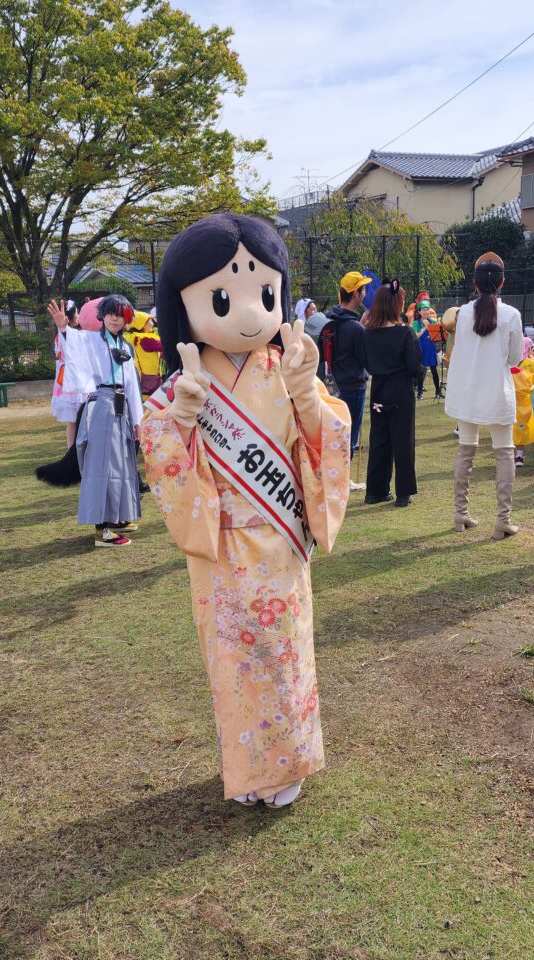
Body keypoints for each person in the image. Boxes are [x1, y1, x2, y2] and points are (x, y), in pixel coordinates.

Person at [140, 213, 350, 809]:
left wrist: (308, 394)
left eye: (264, 292)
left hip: (279, 537)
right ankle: (248, 767)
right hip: (223, 544)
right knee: (233, 661)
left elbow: (326, 440)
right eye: (224, 295)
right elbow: (158, 447)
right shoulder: (190, 377)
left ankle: (287, 767)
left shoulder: (284, 367)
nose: (251, 311)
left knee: (283, 654)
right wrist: (179, 419)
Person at [37, 294, 143, 546]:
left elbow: (131, 387)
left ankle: (116, 517)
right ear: (102, 316)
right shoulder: (93, 340)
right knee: (101, 467)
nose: (115, 318)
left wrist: (138, 421)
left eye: (121, 314)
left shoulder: (126, 347)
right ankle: (102, 530)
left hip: (122, 408)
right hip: (102, 405)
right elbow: (73, 343)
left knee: (122, 465)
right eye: (110, 313)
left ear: (128, 319)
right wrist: (63, 327)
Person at [445, 252, 525, 540]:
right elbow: (516, 357)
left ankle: (460, 513)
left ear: (475, 284)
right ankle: (502, 520)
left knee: (466, 450)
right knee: (504, 453)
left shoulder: (462, 313)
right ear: (502, 282)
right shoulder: (511, 315)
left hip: (466, 392)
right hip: (495, 393)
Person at [363, 279, 422, 507]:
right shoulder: (405, 333)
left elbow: (366, 363)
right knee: (403, 440)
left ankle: (375, 490)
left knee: (379, 439)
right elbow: (415, 367)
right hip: (401, 391)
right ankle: (403, 493)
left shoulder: (368, 334)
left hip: (379, 388)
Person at [319, 272, 372, 465]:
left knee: (333, 438)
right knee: (348, 439)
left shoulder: (327, 322)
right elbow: (368, 360)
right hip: (353, 388)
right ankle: (342, 482)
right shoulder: (355, 329)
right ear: (356, 293)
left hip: (329, 386)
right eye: (363, 289)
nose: (365, 293)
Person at [50, 300, 87, 445]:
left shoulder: (63, 334)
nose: (79, 316)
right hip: (73, 379)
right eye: (77, 313)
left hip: (67, 379)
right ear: (70, 317)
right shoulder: (67, 334)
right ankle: (73, 450)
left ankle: (72, 448)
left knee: (73, 421)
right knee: (75, 420)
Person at [512, 337, 534, 465]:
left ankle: (511, 455)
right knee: (522, 427)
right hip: (525, 402)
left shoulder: (510, 361)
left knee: (511, 428)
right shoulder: (531, 363)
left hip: (510, 400)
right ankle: (519, 455)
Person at [125, 310, 164, 396]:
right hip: (150, 377)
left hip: (138, 375)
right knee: (151, 402)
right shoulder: (146, 339)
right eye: (149, 320)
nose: (152, 323)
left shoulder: (130, 336)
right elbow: (165, 347)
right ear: (142, 325)